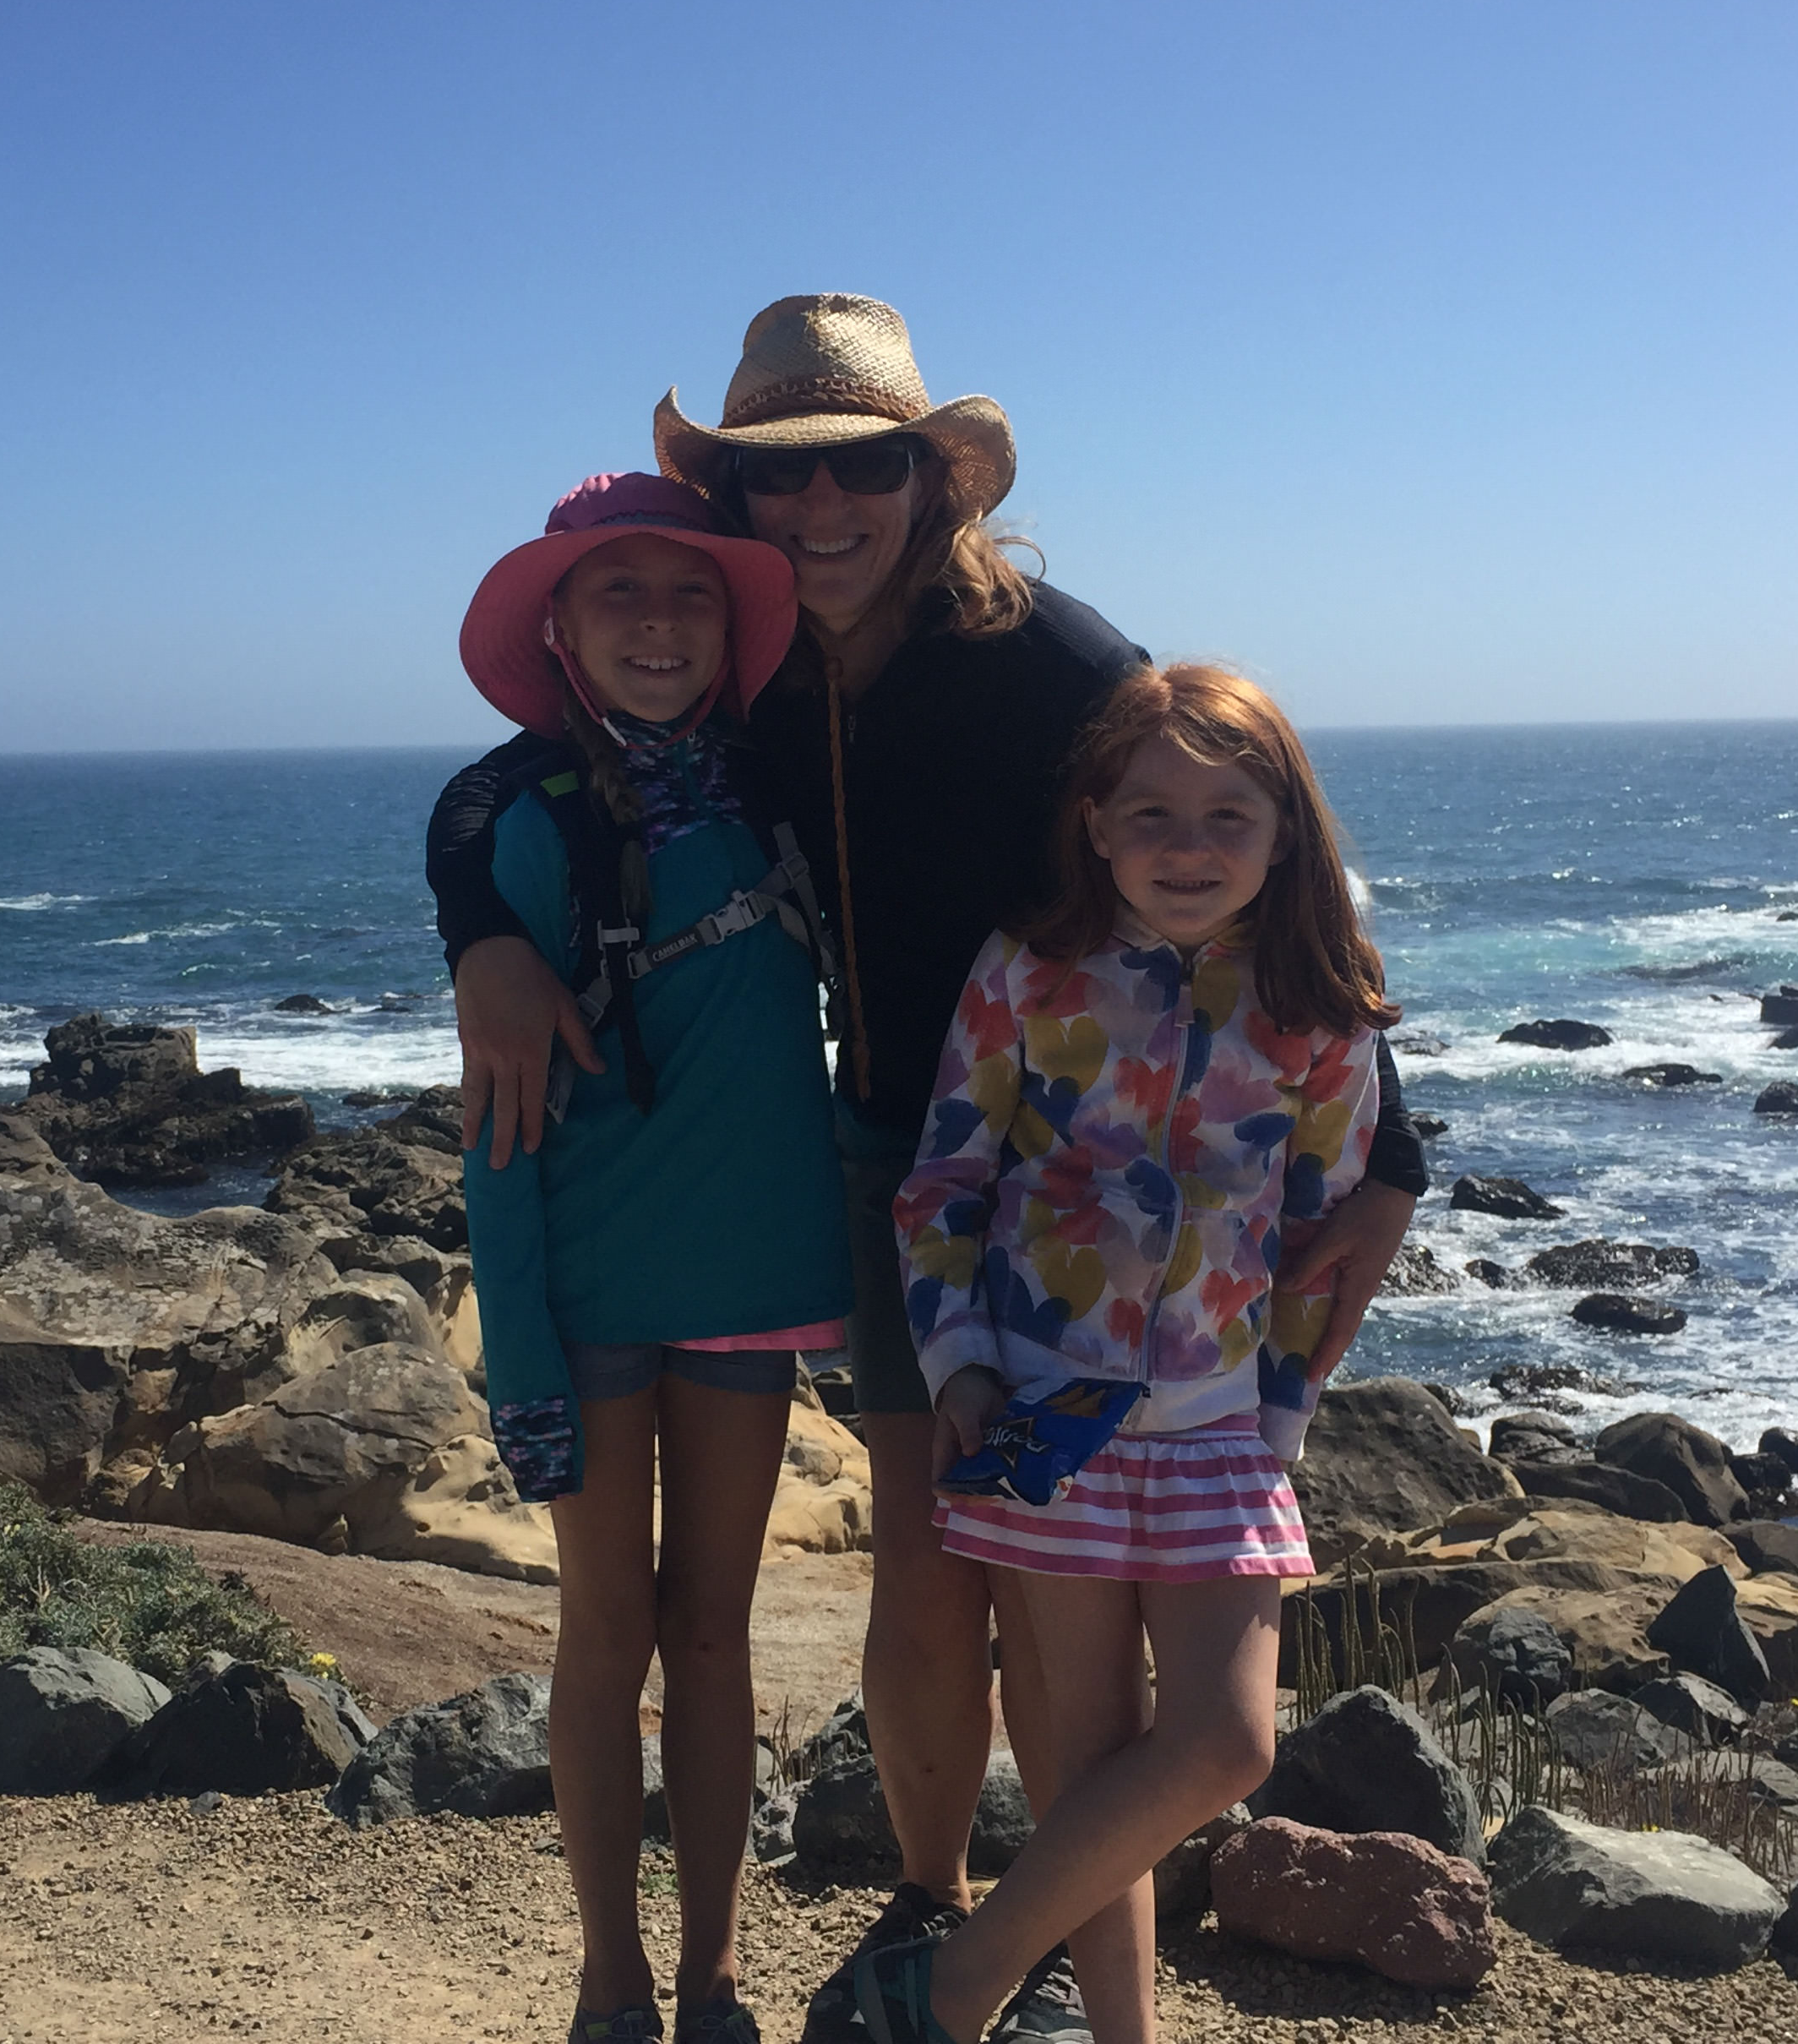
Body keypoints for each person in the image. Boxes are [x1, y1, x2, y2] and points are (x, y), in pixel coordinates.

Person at [427, 296, 1430, 2044]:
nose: (821, 514)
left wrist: (1392, 1143)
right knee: (921, 1562)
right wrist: (476, 938)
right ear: (732, 502)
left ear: (931, 481)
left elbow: (1247, 843)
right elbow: (509, 785)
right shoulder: (733, 676)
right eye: (776, 482)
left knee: (1033, 1606)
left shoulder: (1052, 661)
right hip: (911, 1158)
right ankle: (933, 1901)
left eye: (863, 471)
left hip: (1086, 1178)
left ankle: (1022, 1950)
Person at [855, 665, 1398, 2044]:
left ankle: (963, 1980)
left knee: (1225, 1741)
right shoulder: (1027, 968)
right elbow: (941, 1185)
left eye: (1230, 815)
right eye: (1151, 812)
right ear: (1095, 824)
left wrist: (1281, 1428)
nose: (1188, 845)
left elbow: (1322, 1248)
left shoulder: (1321, 1011)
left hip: (1222, 1427)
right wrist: (961, 1369)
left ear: (1286, 836)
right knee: (1090, 1773)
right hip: (1044, 1411)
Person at [450, 470, 854, 2044]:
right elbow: (495, 1129)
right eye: (617, 592)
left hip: (752, 1276)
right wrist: (521, 1358)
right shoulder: (521, 826)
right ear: (558, 624)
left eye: (689, 591)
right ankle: (610, 1980)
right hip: (596, 1289)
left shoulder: (776, 786)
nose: (659, 622)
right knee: (605, 1631)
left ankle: (714, 1981)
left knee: (715, 1633)